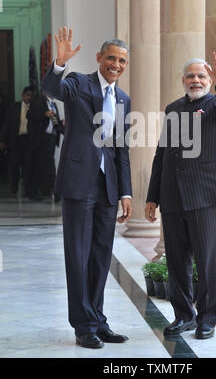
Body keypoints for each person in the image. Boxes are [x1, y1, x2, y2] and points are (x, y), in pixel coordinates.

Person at [42, 27, 132, 349]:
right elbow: (53, 88)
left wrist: (126, 192)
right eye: (111, 58)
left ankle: (98, 320)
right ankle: (82, 326)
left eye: (121, 60)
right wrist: (59, 65)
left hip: (108, 189)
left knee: (99, 258)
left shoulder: (123, 98)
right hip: (79, 185)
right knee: (78, 256)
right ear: (99, 58)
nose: (116, 64)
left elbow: (121, 149)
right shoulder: (79, 83)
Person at [145, 52, 216, 340]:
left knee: (206, 260)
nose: (195, 80)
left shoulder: (215, 105)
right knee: (176, 260)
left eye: (202, 76)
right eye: (190, 76)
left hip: (205, 196)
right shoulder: (172, 108)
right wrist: (153, 196)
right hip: (172, 196)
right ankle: (184, 316)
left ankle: (207, 319)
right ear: (183, 80)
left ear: (209, 81)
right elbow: (162, 154)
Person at [27, 92, 64, 201]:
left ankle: (44, 190)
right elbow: (29, 115)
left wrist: (62, 125)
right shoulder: (38, 101)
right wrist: (44, 114)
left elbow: (55, 122)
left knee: (43, 165)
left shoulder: (54, 104)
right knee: (46, 165)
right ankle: (55, 192)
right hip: (41, 139)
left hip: (51, 138)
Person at [0, 86, 34, 196]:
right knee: (14, 165)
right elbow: (7, 124)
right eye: (27, 95)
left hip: (28, 140)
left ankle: (27, 187)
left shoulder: (34, 108)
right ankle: (14, 186)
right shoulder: (14, 107)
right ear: (23, 95)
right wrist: (2, 140)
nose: (29, 97)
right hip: (16, 140)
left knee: (27, 165)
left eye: (31, 96)